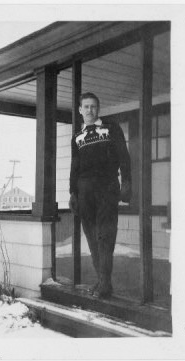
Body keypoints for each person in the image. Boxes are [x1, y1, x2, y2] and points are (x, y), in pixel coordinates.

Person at [69, 92, 132, 299]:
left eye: (93, 106)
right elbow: (74, 167)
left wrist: (127, 182)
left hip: (107, 187)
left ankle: (105, 283)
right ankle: (103, 280)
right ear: (80, 110)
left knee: (106, 235)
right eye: (86, 107)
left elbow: (124, 156)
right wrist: (73, 192)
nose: (90, 110)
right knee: (91, 235)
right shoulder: (76, 138)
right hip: (84, 190)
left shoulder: (111, 128)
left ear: (98, 109)